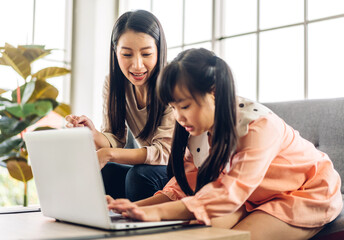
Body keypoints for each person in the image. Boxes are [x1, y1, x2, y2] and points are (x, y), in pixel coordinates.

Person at [108, 48, 343, 240]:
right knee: (195, 231)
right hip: (250, 195)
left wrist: (156, 213)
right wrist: (131, 208)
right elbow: (184, 186)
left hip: (305, 193)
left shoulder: (258, 127)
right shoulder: (196, 128)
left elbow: (230, 191)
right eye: (173, 107)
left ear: (214, 93)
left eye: (185, 106)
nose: (179, 117)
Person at [65, 10, 174, 201]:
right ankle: (107, 226)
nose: (137, 65)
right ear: (115, 51)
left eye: (146, 54)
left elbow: (164, 153)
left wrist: (108, 153)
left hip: (183, 167)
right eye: (127, 54)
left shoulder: (173, 82)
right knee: (106, 172)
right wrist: (93, 134)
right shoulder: (114, 83)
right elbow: (115, 137)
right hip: (154, 165)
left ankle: (141, 228)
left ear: (159, 50)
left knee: (139, 176)